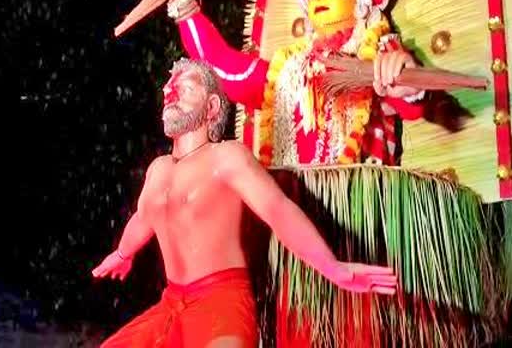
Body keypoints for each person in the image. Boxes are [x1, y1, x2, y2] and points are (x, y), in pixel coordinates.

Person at [91, 58, 397, 348]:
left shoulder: (226, 156)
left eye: (185, 88)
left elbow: (277, 210)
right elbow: (144, 218)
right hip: (171, 304)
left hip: (222, 303)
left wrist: (332, 267)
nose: (170, 92)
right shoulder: (158, 169)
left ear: (211, 106)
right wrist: (122, 253)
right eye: (170, 87)